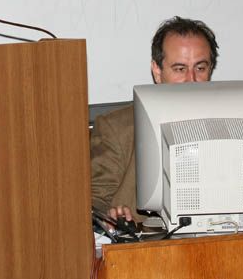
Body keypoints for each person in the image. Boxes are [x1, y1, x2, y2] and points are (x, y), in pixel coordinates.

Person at [90, 16, 219, 223]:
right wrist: (112, 218)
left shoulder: (231, 123)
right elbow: (92, 203)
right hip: (145, 239)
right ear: (157, 71)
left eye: (200, 68)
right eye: (180, 69)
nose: (192, 80)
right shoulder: (116, 128)